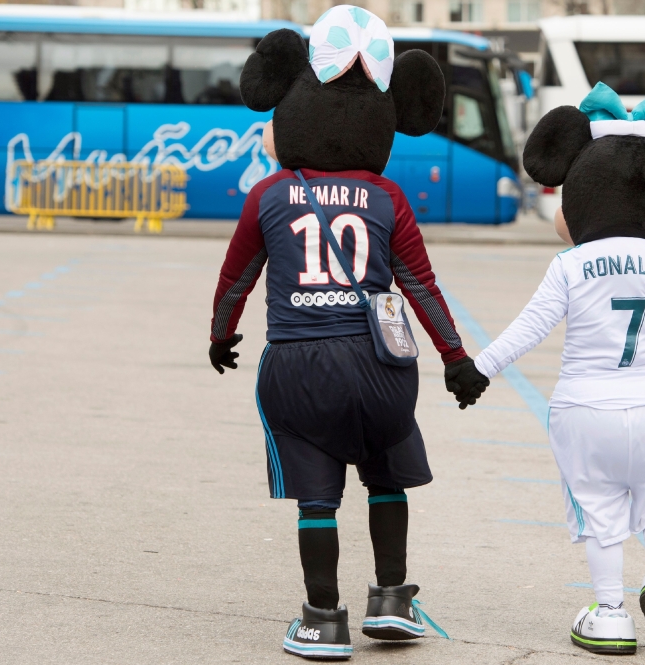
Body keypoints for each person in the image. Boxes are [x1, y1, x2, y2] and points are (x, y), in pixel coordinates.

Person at [208, 7, 487, 659]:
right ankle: (392, 599)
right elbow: (422, 286)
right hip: (380, 366)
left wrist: (220, 337)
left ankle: (321, 619)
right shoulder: (389, 199)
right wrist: (456, 358)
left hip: (298, 367)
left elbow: (235, 280)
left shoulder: (268, 196)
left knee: (318, 495)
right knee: (384, 476)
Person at [470, 83, 645, 654]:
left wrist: (477, 369)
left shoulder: (571, 264)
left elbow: (528, 327)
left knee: (602, 510)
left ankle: (609, 613)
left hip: (587, 410)